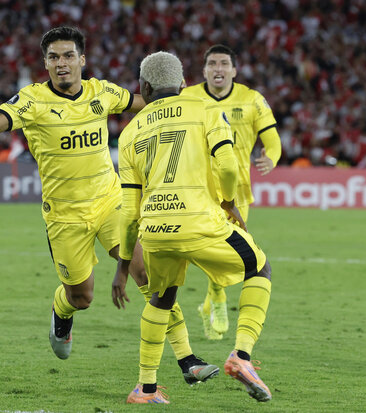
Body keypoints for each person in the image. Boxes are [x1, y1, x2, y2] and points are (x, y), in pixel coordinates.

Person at [0, 26, 217, 384]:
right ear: (46, 63)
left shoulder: (102, 92)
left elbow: (152, 101)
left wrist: (188, 101)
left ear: (82, 60)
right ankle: (61, 312)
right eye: (53, 57)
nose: (61, 63)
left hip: (110, 202)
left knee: (148, 273)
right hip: (65, 216)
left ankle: (188, 360)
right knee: (82, 297)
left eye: (67, 56)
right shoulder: (32, 101)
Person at [114, 51, 274, 404]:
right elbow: (228, 166)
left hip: (154, 229)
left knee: (162, 298)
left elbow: (128, 212)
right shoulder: (204, 109)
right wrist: (228, 202)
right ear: (184, 84)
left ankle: (146, 388)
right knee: (259, 267)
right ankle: (241, 356)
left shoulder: (128, 134)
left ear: (143, 87)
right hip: (199, 220)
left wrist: (123, 265)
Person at [181, 45, 281, 340]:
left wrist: (272, 158)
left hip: (236, 191)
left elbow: (273, 141)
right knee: (205, 247)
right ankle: (218, 300)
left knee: (229, 248)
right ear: (204, 71)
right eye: (212, 63)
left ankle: (212, 301)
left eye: (224, 63)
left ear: (234, 70)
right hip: (198, 187)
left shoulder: (252, 100)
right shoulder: (187, 97)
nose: (218, 68)